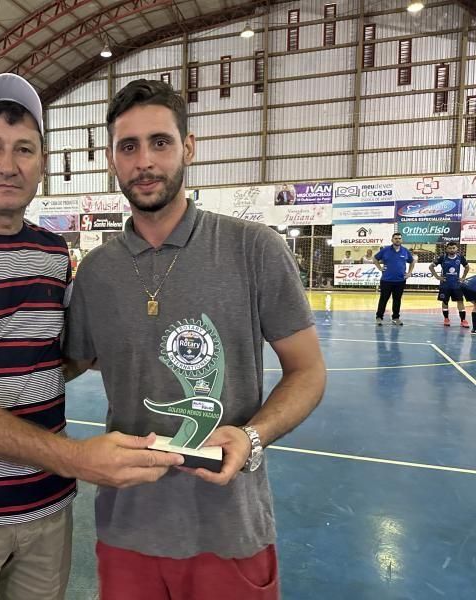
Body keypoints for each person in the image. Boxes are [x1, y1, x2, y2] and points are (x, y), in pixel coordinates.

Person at [0, 73, 181, 600]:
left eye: (24, 149)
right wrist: (79, 459)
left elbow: (54, 359)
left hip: (47, 510)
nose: (8, 164)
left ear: (42, 164)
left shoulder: (53, 253)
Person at [63, 79, 326, 600]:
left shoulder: (254, 248)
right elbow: (72, 362)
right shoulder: (96, 273)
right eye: (128, 146)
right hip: (127, 530)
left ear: (188, 147)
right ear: (112, 160)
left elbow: (308, 371)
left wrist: (252, 436)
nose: (144, 161)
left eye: (160, 142)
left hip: (228, 530)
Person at [374, 233, 414, 326]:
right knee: (383, 299)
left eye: (399, 238)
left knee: (397, 300)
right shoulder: (385, 250)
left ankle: (396, 318)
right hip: (386, 280)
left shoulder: (405, 251)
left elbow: (412, 262)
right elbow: (375, 259)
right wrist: (380, 268)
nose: (397, 240)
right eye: (395, 238)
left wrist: (409, 273)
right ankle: (379, 317)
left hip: (400, 281)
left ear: (401, 240)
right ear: (392, 240)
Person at [429, 242, 469, 327]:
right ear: (447, 249)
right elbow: (431, 266)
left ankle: (463, 320)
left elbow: (467, 267)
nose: (452, 250)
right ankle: (446, 319)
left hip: (456, 285)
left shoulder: (460, 257)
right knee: (445, 301)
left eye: (453, 248)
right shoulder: (442, 257)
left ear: (457, 248)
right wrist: (437, 277)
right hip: (445, 285)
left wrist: (463, 277)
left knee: (460, 301)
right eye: (450, 248)